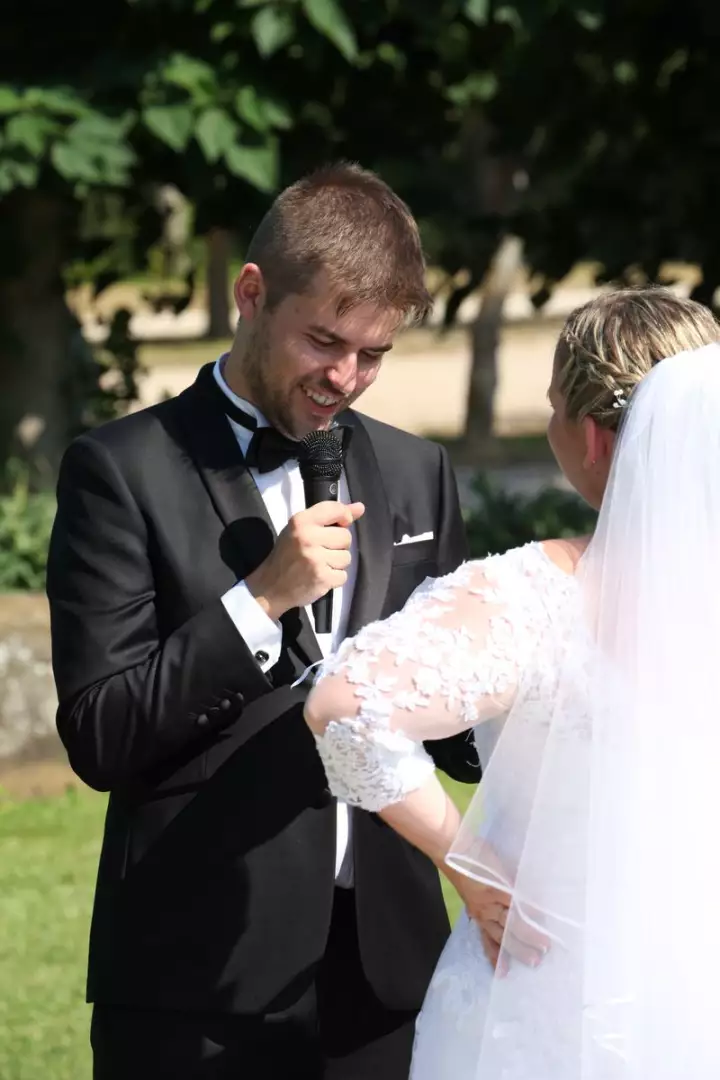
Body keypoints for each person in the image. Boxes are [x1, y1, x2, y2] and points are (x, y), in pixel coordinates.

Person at [46, 162, 481, 1080]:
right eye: (325, 341)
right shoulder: (119, 471)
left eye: (374, 355)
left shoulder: (416, 472)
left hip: (387, 975)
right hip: (194, 980)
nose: (346, 378)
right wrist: (262, 601)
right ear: (253, 293)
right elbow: (101, 733)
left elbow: (458, 728)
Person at [305, 286, 720, 1079]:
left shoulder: (537, 595)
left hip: (544, 988)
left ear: (592, 439)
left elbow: (343, 704)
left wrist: (466, 858)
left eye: (553, 405)